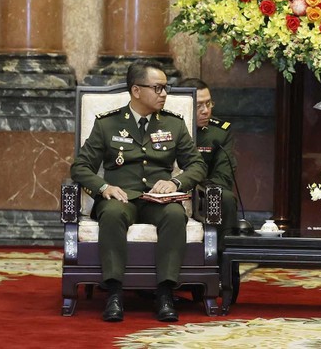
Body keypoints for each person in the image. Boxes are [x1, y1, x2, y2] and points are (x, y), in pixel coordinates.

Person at [70, 59, 207, 323]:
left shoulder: (173, 125)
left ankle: (165, 293)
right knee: (110, 213)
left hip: (159, 200)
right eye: (157, 88)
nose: (164, 94)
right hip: (122, 198)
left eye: (165, 88)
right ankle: (114, 293)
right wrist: (104, 187)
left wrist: (176, 183)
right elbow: (80, 167)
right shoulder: (107, 125)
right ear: (136, 90)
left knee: (175, 215)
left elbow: (197, 165)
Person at [177, 78, 240, 242]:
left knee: (224, 197)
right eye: (198, 106)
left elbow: (223, 177)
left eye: (209, 103)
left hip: (201, 192)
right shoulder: (165, 126)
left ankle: (222, 258)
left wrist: (196, 189)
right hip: (165, 189)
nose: (205, 111)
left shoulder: (218, 133)